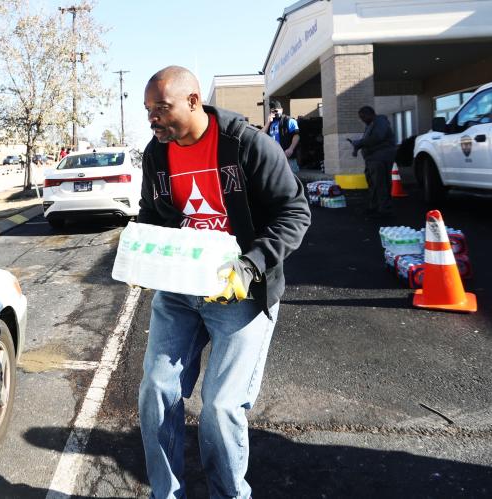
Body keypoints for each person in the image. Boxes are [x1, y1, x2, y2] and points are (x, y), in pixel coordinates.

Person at [138, 66, 310, 499]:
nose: (153, 119)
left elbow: (295, 214)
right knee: (156, 392)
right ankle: (166, 494)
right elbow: (152, 215)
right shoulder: (156, 154)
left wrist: (251, 265)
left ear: (194, 101)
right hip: (180, 292)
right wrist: (141, 252)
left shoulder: (248, 144)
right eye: (148, 111)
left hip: (240, 293)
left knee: (220, 407)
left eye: (162, 108)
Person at [348, 106, 397, 218]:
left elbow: (377, 137)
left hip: (380, 158)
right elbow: (367, 140)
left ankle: (384, 209)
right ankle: (375, 206)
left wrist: (360, 143)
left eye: (363, 117)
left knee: (381, 183)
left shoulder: (380, 122)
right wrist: (357, 147)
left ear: (370, 114)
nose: (362, 119)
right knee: (374, 183)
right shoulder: (370, 125)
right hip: (373, 159)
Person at [266, 100, 301, 174]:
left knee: (291, 177)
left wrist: (291, 149)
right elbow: (260, 135)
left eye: (276, 110)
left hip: (287, 156)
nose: (275, 113)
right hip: (274, 157)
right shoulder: (270, 123)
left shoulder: (289, 120)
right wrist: (268, 122)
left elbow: (296, 135)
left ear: (281, 110)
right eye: (272, 111)